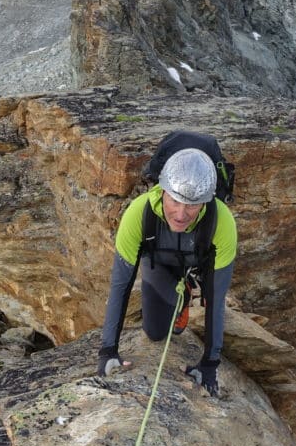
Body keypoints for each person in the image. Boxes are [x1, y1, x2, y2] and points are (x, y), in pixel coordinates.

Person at [96, 147, 237, 397]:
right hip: (159, 262)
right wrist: (108, 351)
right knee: (155, 332)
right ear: (162, 192)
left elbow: (217, 299)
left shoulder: (222, 222)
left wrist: (210, 364)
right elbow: (121, 285)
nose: (181, 215)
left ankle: (187, 284)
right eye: (174, 200)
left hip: (200, 261)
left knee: (197, 298)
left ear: (205, 201)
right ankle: (180, 296)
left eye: (192, 205)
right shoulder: (139, 213)